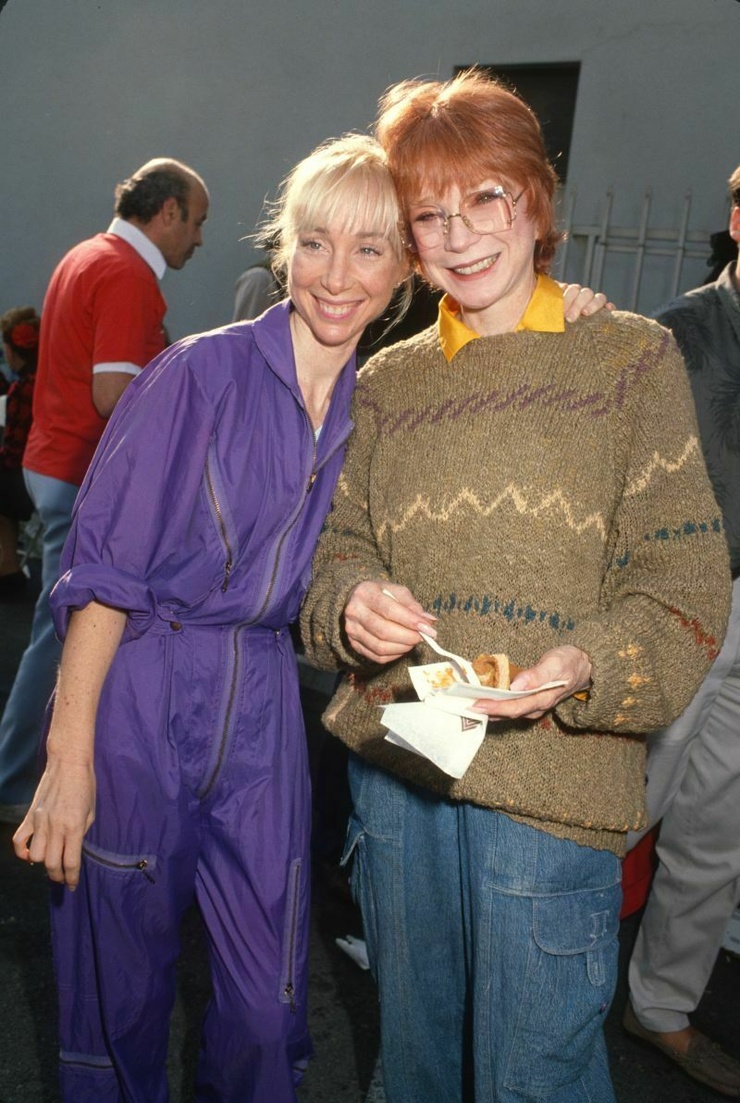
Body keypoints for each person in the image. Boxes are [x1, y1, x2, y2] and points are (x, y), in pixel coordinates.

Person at [300, 70, 732, 1103]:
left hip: (552, 792)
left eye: (485, 198)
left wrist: (587, 664)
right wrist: (351, 601)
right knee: (413, 1062)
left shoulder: (630, 360)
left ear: (536, 198)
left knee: (533, 1076)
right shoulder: (388, 380)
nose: (459, 237)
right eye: (429, 215)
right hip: (400, 773)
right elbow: (335, 549)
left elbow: (681, 579)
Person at [10, 134, 410, 1103]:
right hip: (141, 690)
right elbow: (105, 573)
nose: (336, 275)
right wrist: (67, 760)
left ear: (405, 268)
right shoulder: (195, 374)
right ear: (284, 248)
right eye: (314, 243)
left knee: (270, 1007)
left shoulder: (380, 410)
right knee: (119, 996)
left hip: (265, 709)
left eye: (367, 249)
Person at [0, 158, 209, 822]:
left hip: (55, 462)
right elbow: (115, 393)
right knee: (66, 638)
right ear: (168, 211)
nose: (199, 239)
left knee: (64, 632)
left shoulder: (87, 255)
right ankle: (14, 782)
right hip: (82, 472)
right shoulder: (125, 273)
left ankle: (22, 776)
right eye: (196, 222)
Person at [623, 165, 740, 1098]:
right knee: (619, 807)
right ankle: (532, 985)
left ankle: (661, 1004)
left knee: (718, 832)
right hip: (686, 605)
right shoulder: (675, 335)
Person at [0, 306, 40, 595]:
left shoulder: (22, 390)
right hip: (55, 475)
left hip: (29, 480)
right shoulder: (48, 380)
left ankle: (8, 565)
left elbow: (13, 455)